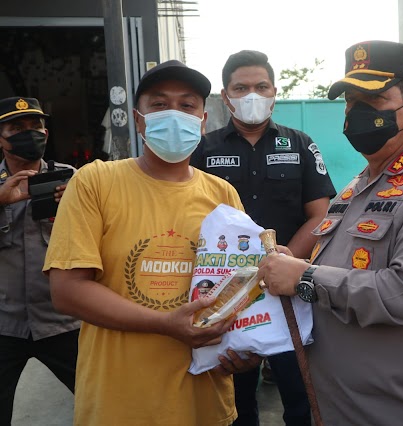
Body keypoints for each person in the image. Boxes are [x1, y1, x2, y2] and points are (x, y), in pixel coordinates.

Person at [256, 40, 403, 425]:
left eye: (373, 100)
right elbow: (340, 271)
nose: (356, 112)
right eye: (350, 102)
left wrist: (304, 277)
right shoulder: (355, 189)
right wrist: (292, 263)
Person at [43, 60, 260, 425]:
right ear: (139, 119)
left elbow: (239, 288)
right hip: (119, 406)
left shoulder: (222, 194)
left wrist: (248, 346)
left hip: (204, 405)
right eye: (159, 105)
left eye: (187, 105)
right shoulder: (95, 182)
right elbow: (67, 290)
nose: (174, 114)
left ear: (203, 121)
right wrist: (166, 323)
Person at [190, 49, 336, 426]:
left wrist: (280, 269)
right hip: (227, 297)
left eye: (260, 86)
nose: (251, 95)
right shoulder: (203, 149)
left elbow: (320, 216)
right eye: (241, 88)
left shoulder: (300, 144)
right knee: (235, 402)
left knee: (301, 397)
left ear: (274, 91)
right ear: (226, 96)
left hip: (288, 293)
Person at [0, 96, 79, 424]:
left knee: (102, 402)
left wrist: (76, 208)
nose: (28, 133)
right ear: (1, 138)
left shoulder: (73, 179)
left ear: (46, 133)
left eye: (35, 126)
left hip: (63, 322)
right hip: (5, 326)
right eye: (16, 128)